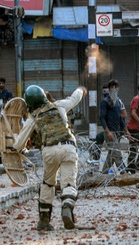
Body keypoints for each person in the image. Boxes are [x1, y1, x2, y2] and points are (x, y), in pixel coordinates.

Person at [14, 84, 86, 231]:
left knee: (48, 183)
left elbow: (19, 143)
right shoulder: (59, 106)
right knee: (68, 184)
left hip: (49, 150)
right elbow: (74, 99)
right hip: (68, 147)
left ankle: (44, 221)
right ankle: (66, 207)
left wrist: (15, 147)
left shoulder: (33, 117)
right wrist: (80, 90)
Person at [100, 79, 129, 174]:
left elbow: (120, 118)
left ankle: (104, 173)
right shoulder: (105, 102)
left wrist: (126, 130)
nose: (114, 89)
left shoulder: (116, 102)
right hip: (110, 132)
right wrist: (107, 131)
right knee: (117, 154)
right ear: (109, 89)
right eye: (112, 87)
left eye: (116, 87)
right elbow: (102, 118)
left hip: (117, 131)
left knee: (111, 154)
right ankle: (123, 173)